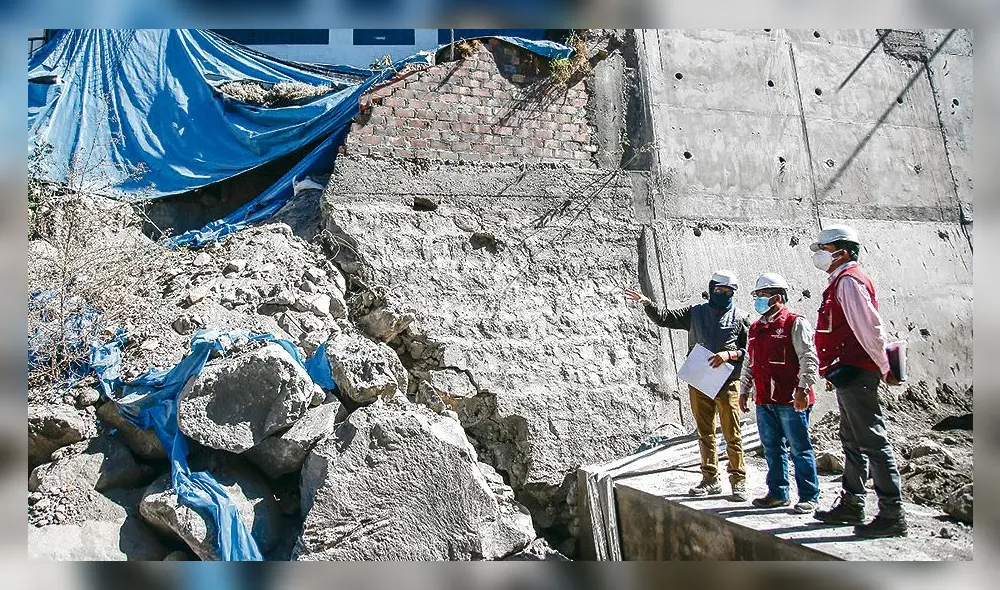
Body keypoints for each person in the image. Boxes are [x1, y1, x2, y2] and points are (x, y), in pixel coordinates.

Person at [808, 225, 907, 538]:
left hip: (857, 372)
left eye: (824, 248)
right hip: (846, 373)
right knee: (851, 439)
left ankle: (892, 513)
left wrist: (884, 365)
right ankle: (853, 502)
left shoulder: (849, 281)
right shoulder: (840, 281)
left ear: (843, 251)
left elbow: (869, 327)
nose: (819, 255)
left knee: (872, 440)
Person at [625, 270, 750, 501]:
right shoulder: (696, 313)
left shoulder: (741, 318)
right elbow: (665, 317)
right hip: (701, 379)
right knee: (705, 432)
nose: (725, 294)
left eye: (729, 291)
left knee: (732, 433)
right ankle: (710, 479)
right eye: (721, 290)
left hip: (727, 382)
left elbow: (749, 351)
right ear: (712, 289)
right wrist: (647, 303)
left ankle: (738, 480)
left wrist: (729, 355)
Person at [738, 273, 821, 514]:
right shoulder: (756, 327)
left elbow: (808, 358)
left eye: (762, 295)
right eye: (757, 296)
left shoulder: (795, 323)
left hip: (790, 400)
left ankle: (808, 495)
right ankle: (778, 492)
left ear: (776, 297)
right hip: (765, 400)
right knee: (772, 447)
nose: (758, 300)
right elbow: (750, 362)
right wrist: (745, 389)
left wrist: (803, 388)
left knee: (799, 448)